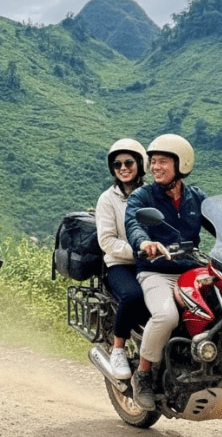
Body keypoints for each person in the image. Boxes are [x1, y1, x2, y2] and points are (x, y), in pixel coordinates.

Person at [124, 134, 207, 411]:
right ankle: (143, 375)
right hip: (156, 272)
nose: (155, 167)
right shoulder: (143, 196)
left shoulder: (196, 197)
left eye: (162, 162)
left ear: (181, 164)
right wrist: (144, 243)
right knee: (166, 315)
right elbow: (134, 224)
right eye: (153, 162)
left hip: (192, 271)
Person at [95, 138, 151, 380]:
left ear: (140, 164)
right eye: (117, 164)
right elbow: (107, 241)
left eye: (129, 162)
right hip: (120, 264)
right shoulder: (107, 199)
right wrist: (137, 251)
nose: (123, 168)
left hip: (153, 263)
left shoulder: (153, 194)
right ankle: (118, 349)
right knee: (133, 295)